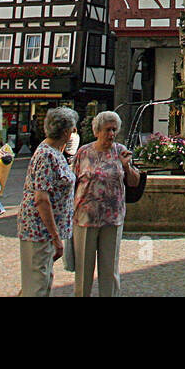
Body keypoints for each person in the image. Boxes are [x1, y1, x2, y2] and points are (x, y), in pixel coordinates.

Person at [73, 110, 140, 297]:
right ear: (96, 131)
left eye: (114, 130)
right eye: (107, 129)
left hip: (113, 218)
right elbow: (74, 181)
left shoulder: (121, 151)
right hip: (85, 218)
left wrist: (126, 166)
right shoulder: (84, 152)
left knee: (110, 270)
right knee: (84, 271)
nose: (111, 134)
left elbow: (134, 182)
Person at [18, 107, 78, 297]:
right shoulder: (46, 155)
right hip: (40, 230)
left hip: (44, 231)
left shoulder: (54, 151)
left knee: (40, 280)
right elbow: (41, 199)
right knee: (37, 284)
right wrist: (55, 236)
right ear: (67, 132)